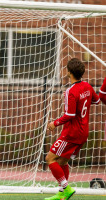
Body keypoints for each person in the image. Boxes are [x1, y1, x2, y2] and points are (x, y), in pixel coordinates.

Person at [46, 58, 100, 200]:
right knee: (63, 162)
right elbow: (96, 100)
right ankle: (62, 194)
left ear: (69, 72)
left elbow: (70, 114)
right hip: (83, 132)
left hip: (71, 133)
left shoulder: (71, 91)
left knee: (50, 159)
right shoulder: (87, 86)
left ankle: (66, 188)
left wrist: (55, 123)